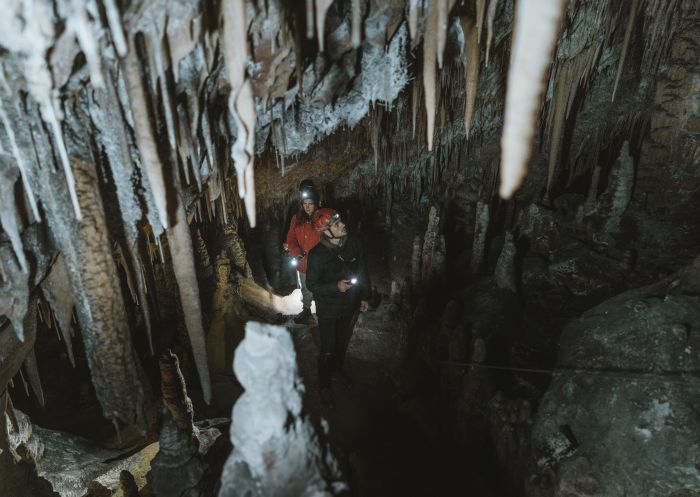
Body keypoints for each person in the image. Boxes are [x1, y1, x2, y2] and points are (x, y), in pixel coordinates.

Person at [306, 208, 370, 407]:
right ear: (326, 231)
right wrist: (335, 287)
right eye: (336, 224)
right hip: (327, 309)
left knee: (342, 343)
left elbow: (362, 270)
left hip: (349, 305)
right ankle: (324, 385)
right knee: (328, 349)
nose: (343, 225)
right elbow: (312, 285)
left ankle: (338, 370)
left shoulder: (354, 244)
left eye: (340, 221)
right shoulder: (317, 255)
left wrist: (365, 296)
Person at [285, 179, 321, 324]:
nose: (307, 207)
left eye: (310, 203)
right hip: (303, 261)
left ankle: (322, 312)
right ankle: (306, 310)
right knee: (306, 288)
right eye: (305, 204)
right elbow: (291, 238)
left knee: (319, 288)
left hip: (319, 262)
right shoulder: (296, 219)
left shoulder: (321, 218)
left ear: (315, 203)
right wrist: (296, 252)